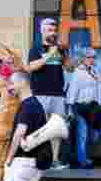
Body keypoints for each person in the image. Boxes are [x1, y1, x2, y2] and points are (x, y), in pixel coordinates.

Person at [3, 70, 52, 181]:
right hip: (34, 163)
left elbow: (19, 132)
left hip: (21, 162)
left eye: (12, 83)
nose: (10, 87)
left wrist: (9, 159)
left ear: (23, 83)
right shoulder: (37, 105)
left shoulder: (27, 106)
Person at [26, 18, 69, 171]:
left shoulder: (59, 48)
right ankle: (36, 160)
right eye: (50, 30)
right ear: (42, 31)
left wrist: (64, 53)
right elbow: (30, 67)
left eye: (54, 30)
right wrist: (48, 55)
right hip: (40, 94)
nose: (53, 33)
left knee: (56, 129)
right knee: (39, 127)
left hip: (58, 94)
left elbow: (69, 68)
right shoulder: (36, 47)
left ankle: (55, 161)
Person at [66, 48, 101, 169]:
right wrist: (70, 109)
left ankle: (85, 158)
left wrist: (99, 104)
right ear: (83, 58)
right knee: (82, 134)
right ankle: (82, 160)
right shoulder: (78, 72)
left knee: (91, 134)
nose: (91, 59)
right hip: (80, 106)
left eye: (93, 57)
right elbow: (72, 90)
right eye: (88, 57)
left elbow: (98, 89)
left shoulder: (95, 71)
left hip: (93, 107)